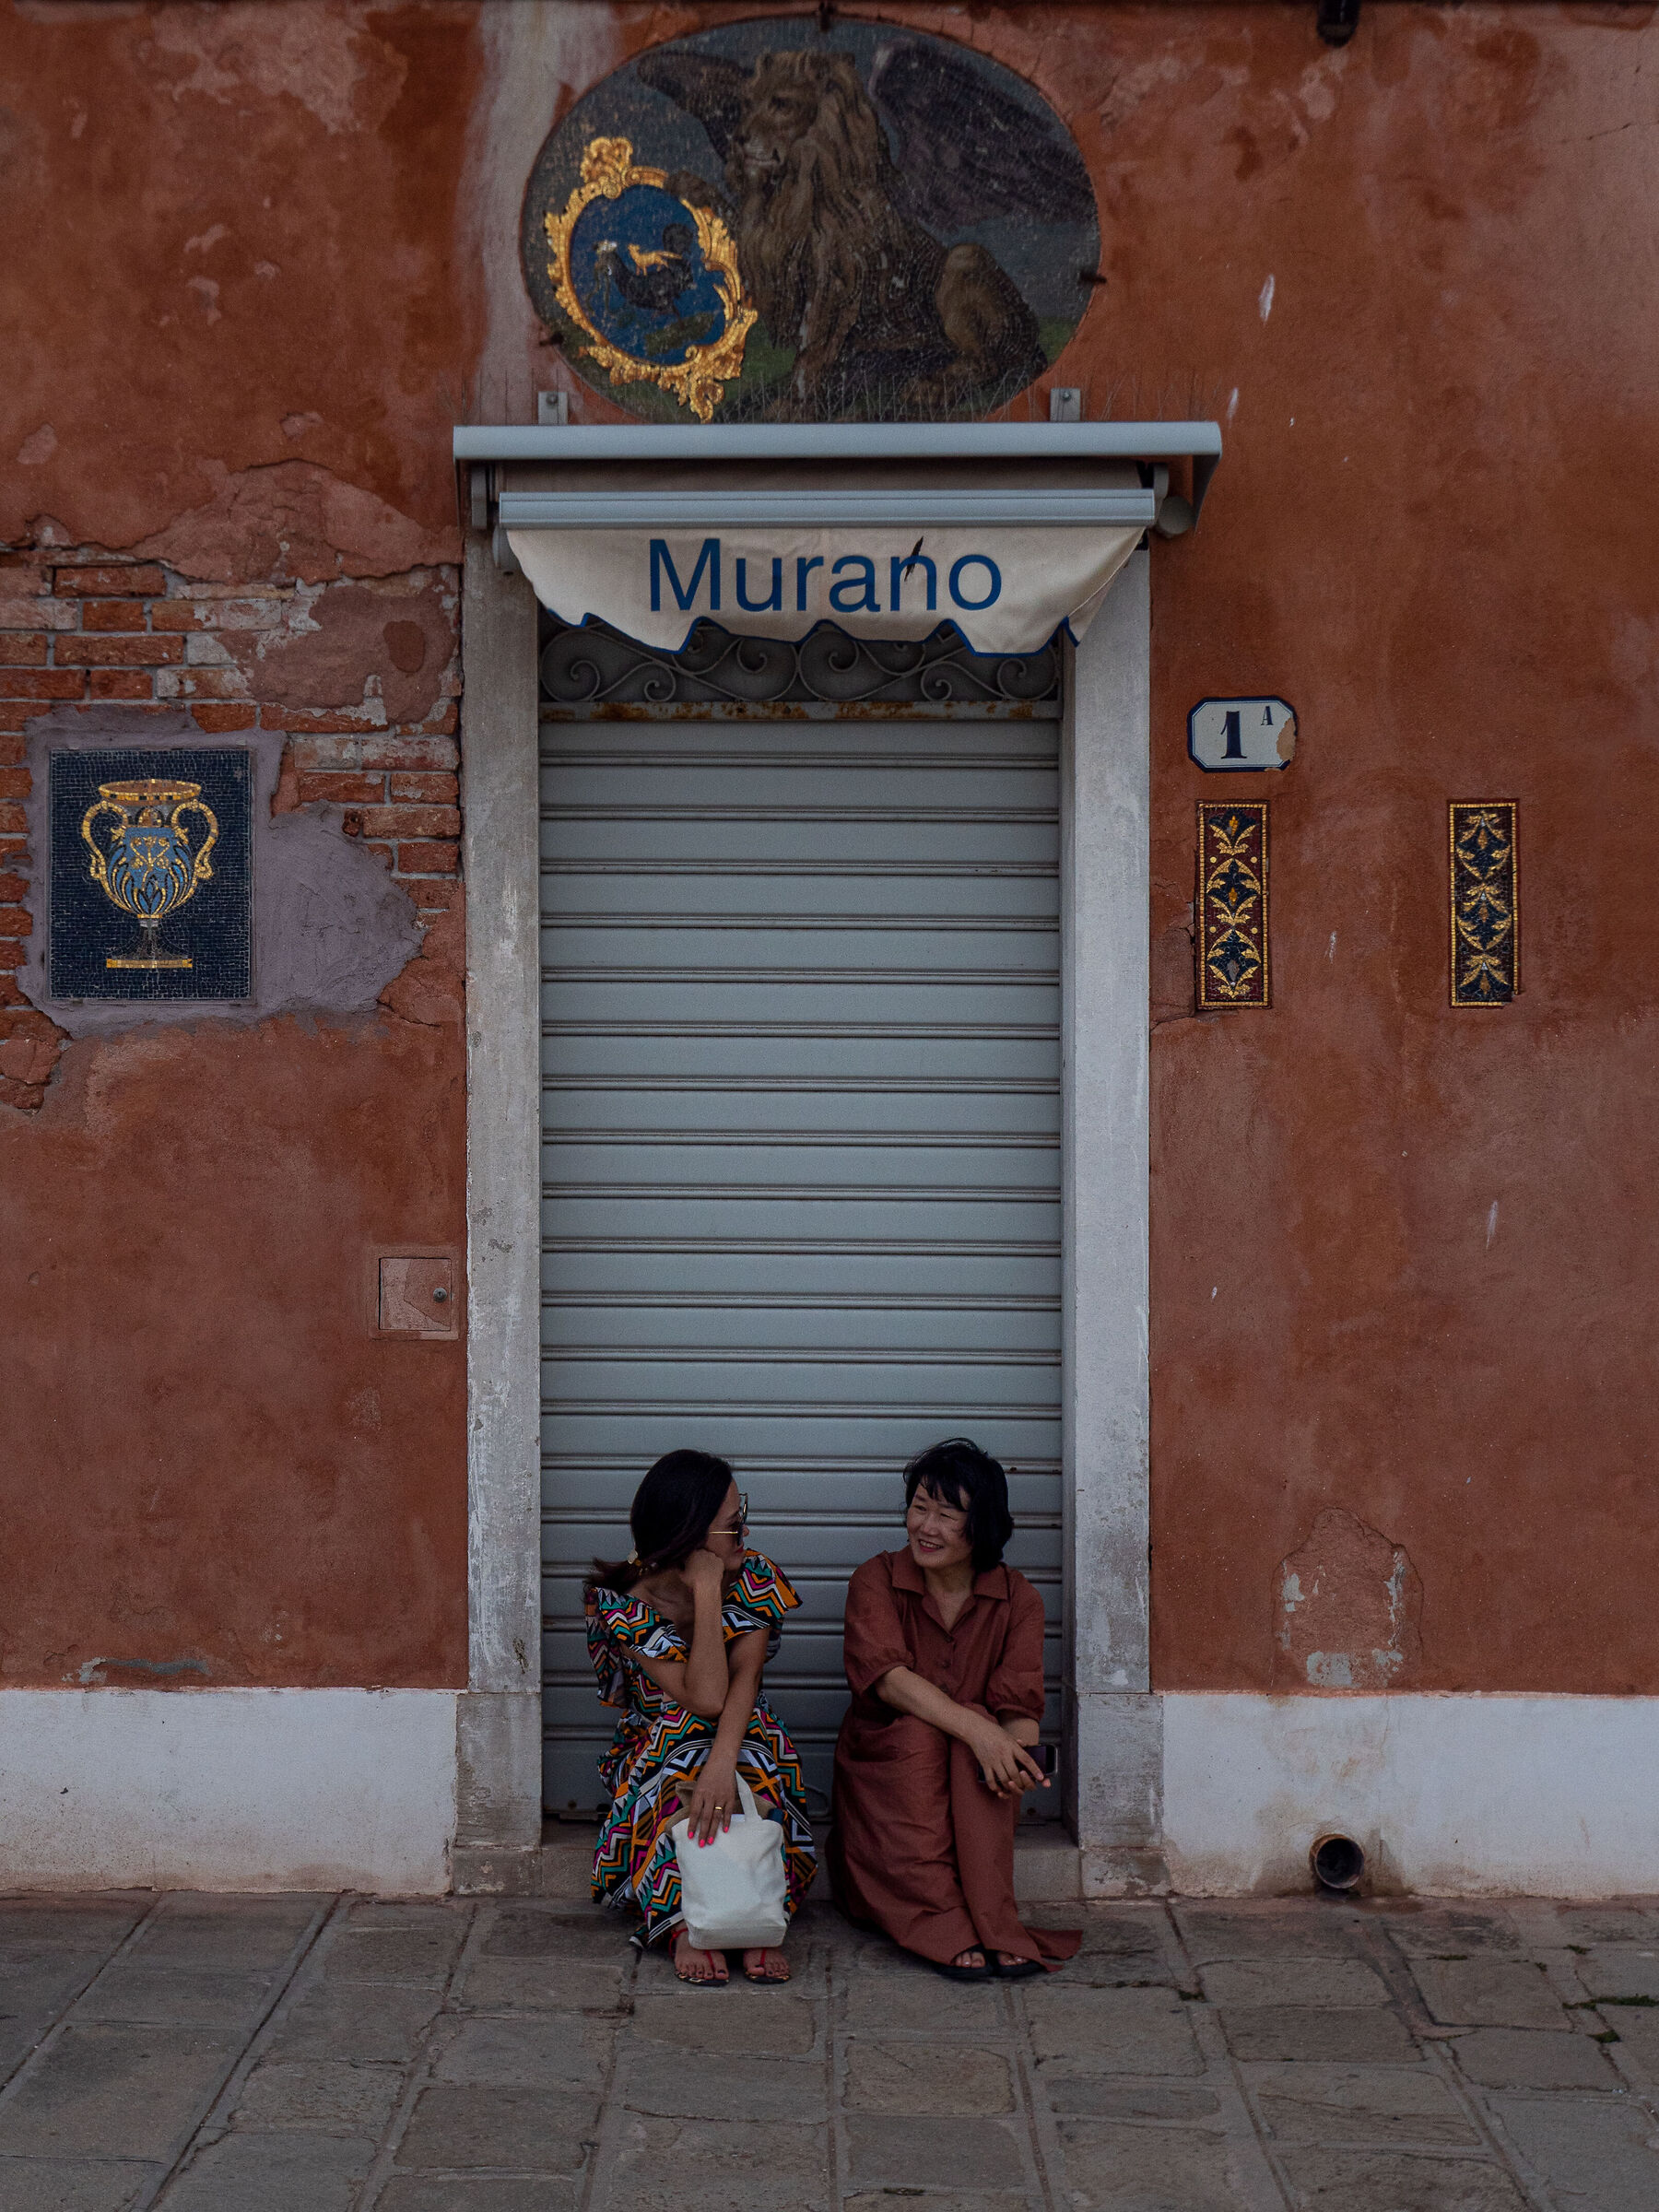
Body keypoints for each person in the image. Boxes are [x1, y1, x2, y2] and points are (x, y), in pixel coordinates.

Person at [830, 1437, 1081, 1980]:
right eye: (919, 1508)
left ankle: (990, 1919)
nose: (927, 1527)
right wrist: (977, 1730)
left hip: (969, 1765)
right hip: (886, 1759)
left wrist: (1017, 1756)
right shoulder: (876, 1579)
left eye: (946, 1515)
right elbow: (889, 1681)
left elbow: (1019, 1702)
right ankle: (938, 1921)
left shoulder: (1019, 1599)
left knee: (992, 1745)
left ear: (982, 1525)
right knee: (927, 1735)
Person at [584, 1449, 817, 1984]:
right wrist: (707, 1591)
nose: (746, 1533)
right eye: (732, 1528)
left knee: (756, 1780)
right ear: (690, 1538)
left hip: (745, 1728)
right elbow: (702, 1697)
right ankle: (683, 1923)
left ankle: (755, 1916)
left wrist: (722, 1763)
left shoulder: (756, 1576)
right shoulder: (624, 1605)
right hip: (655, 1737)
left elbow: (742, 1685)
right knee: (674, 1781)